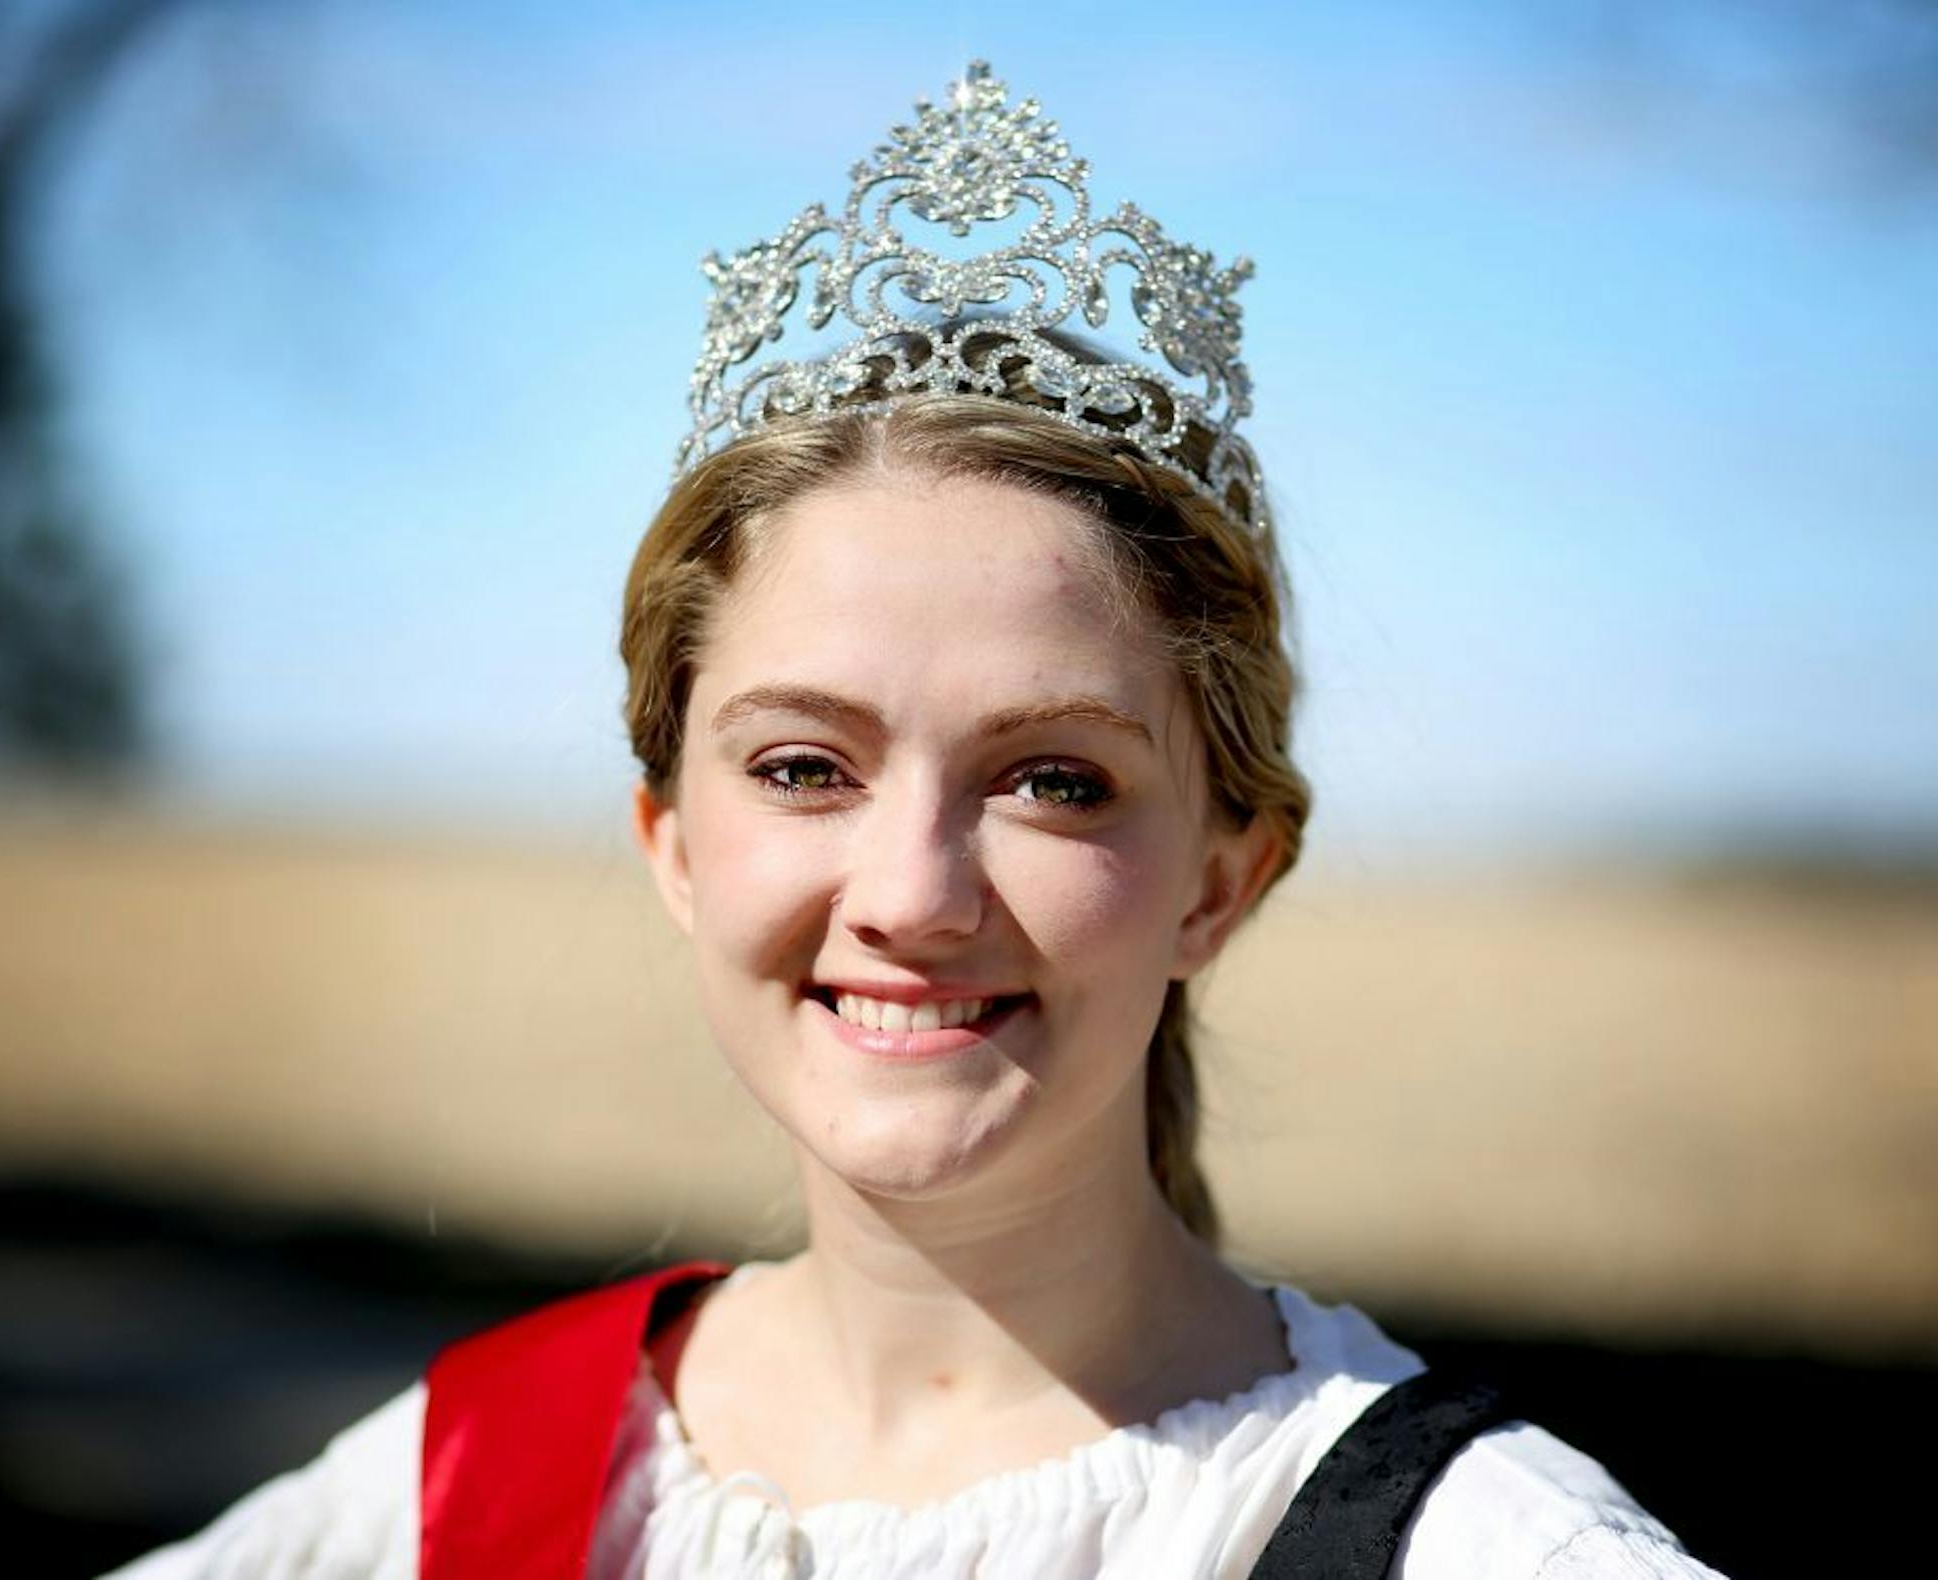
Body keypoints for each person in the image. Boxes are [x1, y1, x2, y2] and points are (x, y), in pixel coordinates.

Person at [106, 62, 1727, 1580]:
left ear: (1221, 883)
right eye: (805, 768)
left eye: (1053, 781)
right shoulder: (456, 1492)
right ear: (674, 847)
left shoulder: (1468, 1543)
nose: (912, 892)